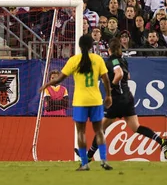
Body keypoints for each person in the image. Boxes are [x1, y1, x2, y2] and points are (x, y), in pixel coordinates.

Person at [39, 34, 113, 171]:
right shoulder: (98, 59)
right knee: (99, 131)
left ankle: (84, 164)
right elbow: (106, 80)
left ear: (79, 46)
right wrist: (108, 95)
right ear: (92, 46)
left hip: (80, 101)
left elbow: (59, 79)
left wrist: (46, 84)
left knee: (81, 133)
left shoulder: (74, 60)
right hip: (96, 100)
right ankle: (104, 160)